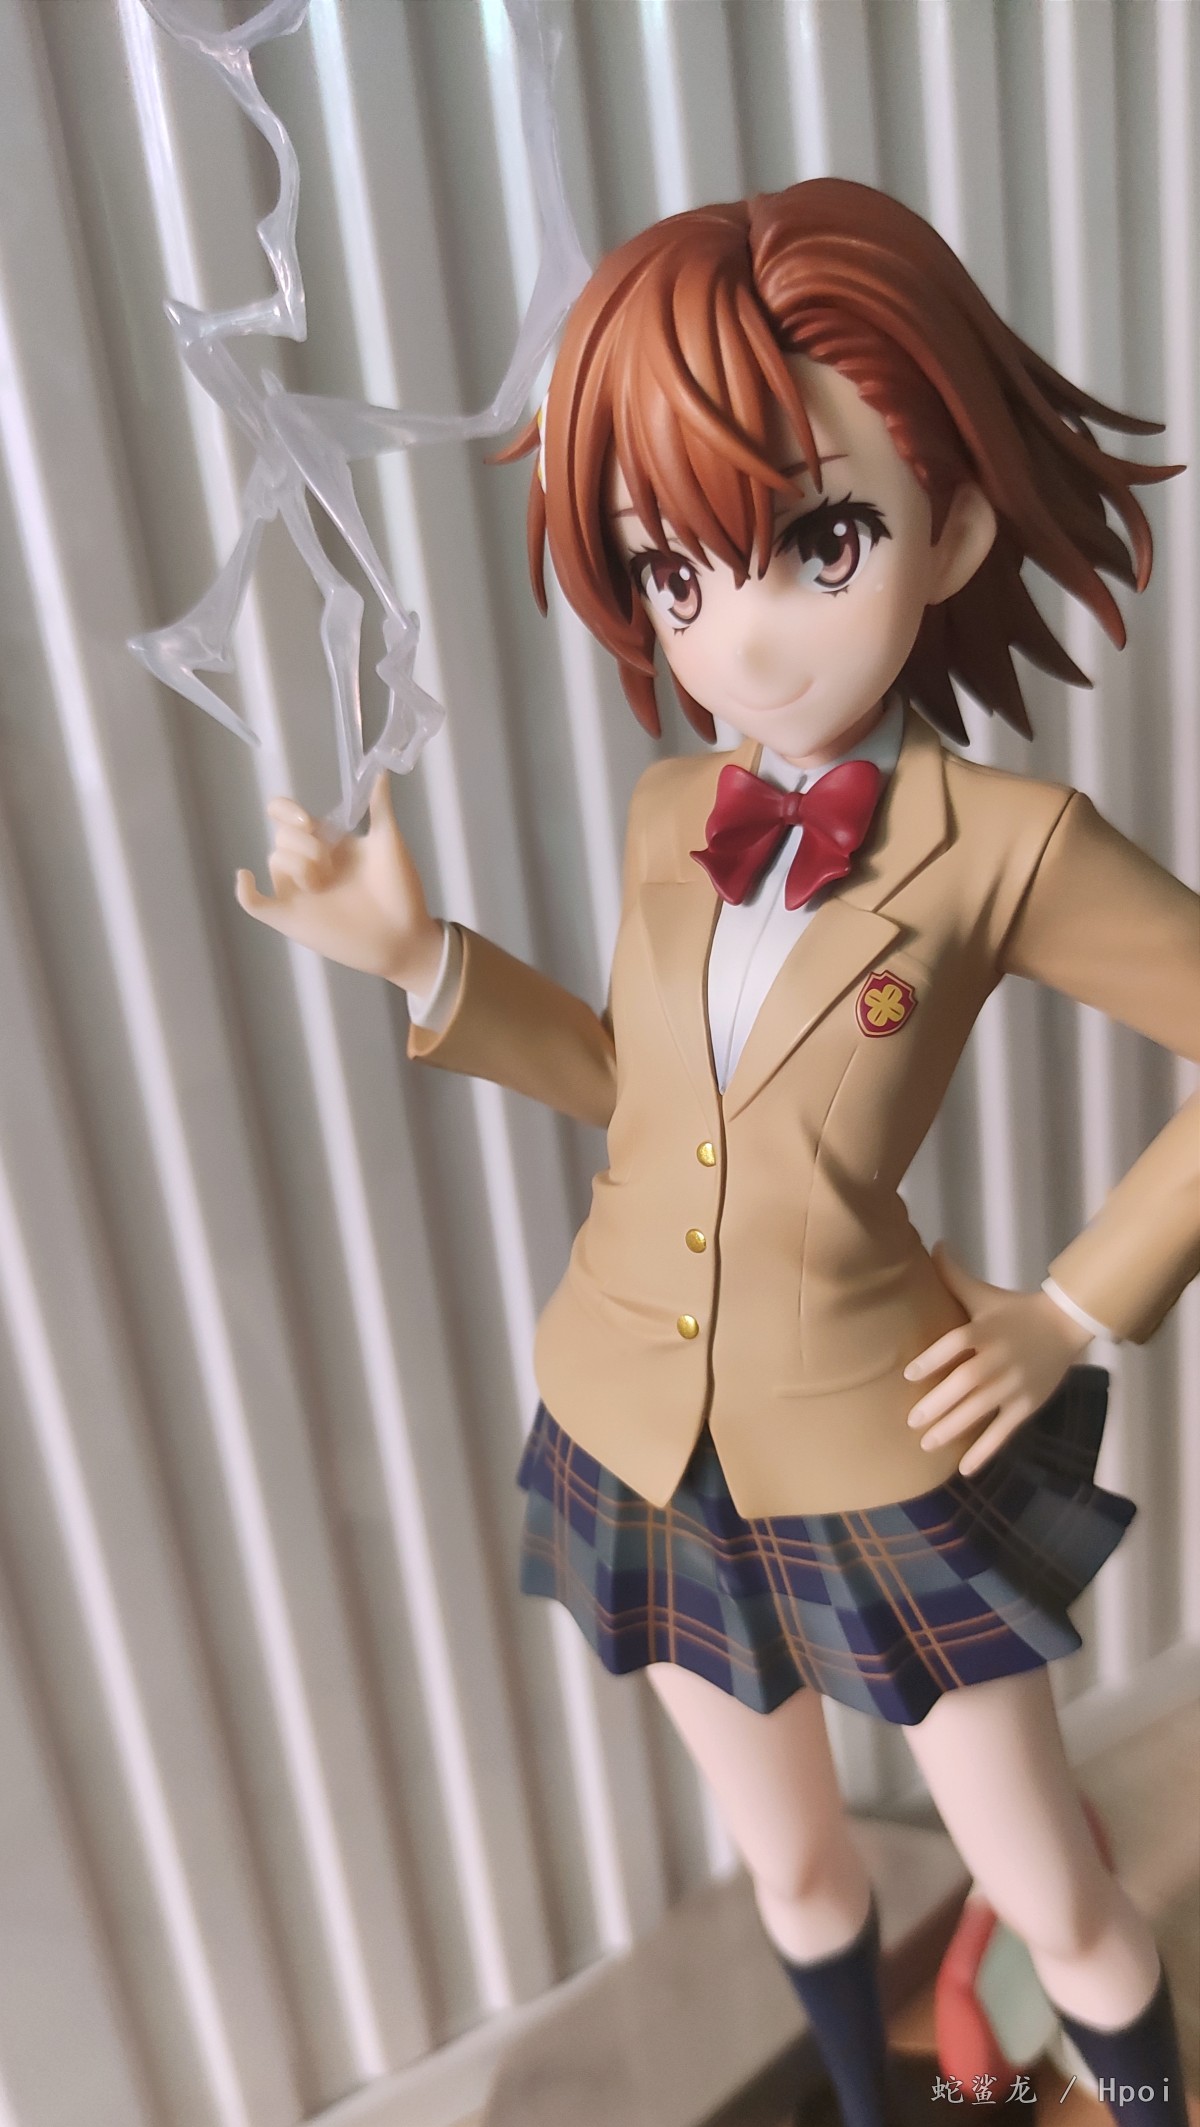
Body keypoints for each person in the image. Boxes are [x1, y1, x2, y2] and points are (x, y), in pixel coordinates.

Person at [236, 181, 1199, 2126]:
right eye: (672, 571)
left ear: (952, 526)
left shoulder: (1010, 843)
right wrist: (423, 962)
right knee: (792, 1866)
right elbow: (639, 1084)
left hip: (880, 1437)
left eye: (817, 542)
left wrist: (1072, 1309)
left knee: (1054, 1895)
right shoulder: (672, 807)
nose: (737, 635)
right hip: (628, 1425)